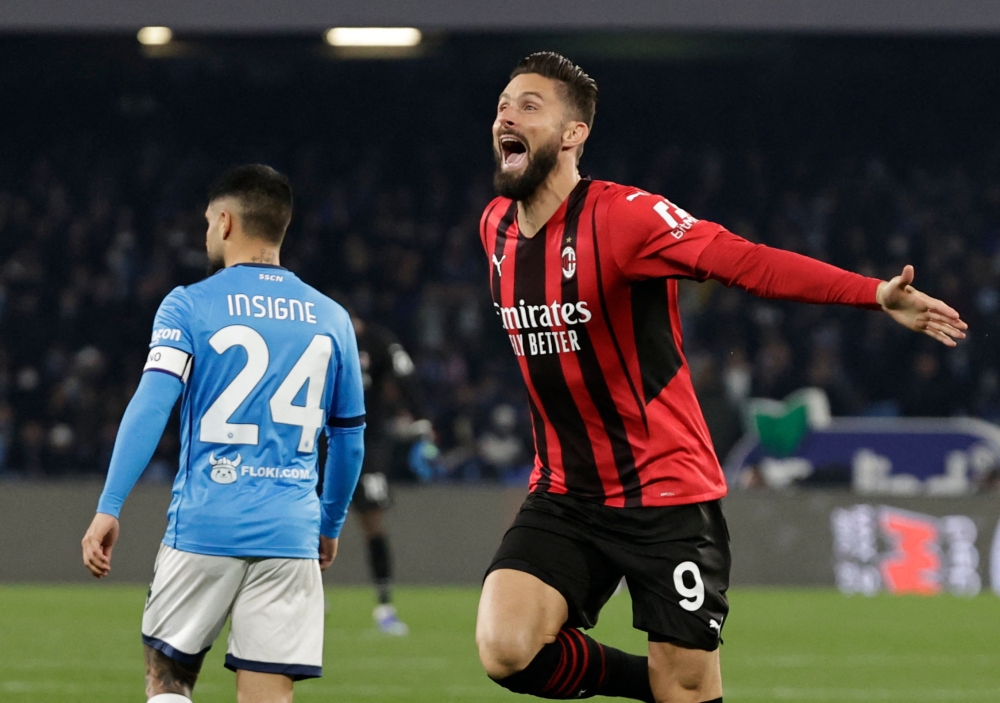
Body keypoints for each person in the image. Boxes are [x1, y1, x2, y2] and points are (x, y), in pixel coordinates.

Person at [475, 52, 967, 703]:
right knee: (507, 647)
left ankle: (673, 687)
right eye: (504, 104)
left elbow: (746, 262)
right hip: (566, 492)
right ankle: (656, 686)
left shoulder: (625, 218)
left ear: (573, 134)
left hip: (665, 493)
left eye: (529, 104)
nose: (507, 114)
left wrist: (873, 292)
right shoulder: (496, 228)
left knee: (688, 683)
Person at [80, 164, 366, 703]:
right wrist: (328, 525)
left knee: (168, 681)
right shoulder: (332, 318)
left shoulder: (188, 304)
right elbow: (349, 439)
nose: (207, 233)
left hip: (205, 523)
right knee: (267, 696)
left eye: (209, 222)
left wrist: (109, 504)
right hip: (291, 534)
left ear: (227, 221)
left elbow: (152, 403)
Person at [348, 312, 424, 635]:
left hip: (366, 443)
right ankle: (308, 598)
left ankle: (384, 606)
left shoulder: (377, 339)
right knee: (308, 523)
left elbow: (403, 374)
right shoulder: (319, 333)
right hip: (320, 441)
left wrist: (418, 415)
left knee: (373, 521)